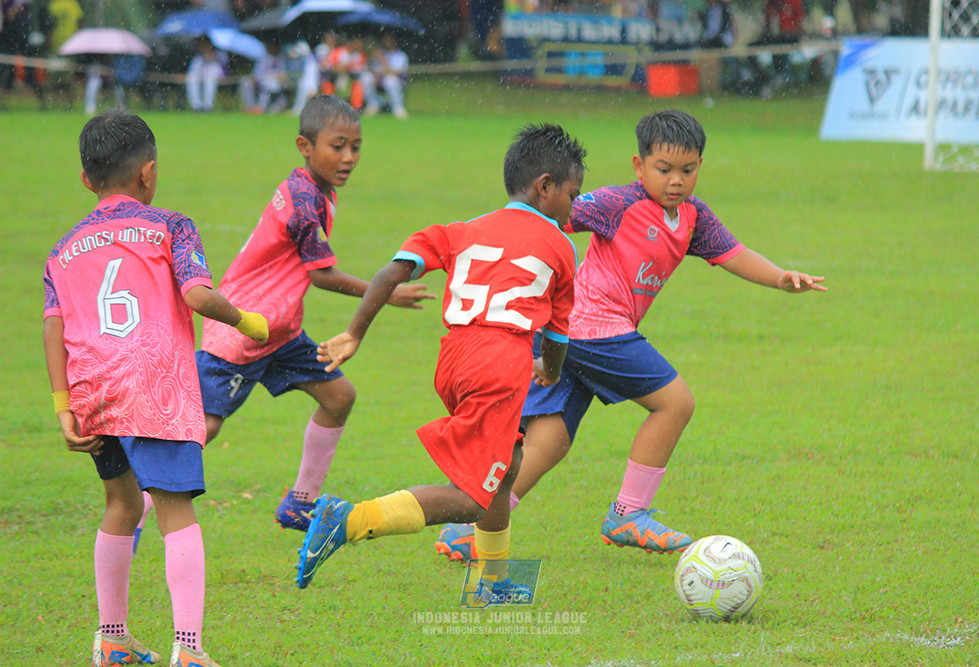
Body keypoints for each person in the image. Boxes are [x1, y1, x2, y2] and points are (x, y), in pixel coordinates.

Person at [433, 109, 826, 562]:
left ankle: (472, 526)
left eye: (688, 170)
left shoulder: (694, 217)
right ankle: (629, 513)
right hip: (589, 327)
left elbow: (732, 253)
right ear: (640, 167)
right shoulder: (618, 204)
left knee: (551, 440)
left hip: (570, 338)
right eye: (664, 170)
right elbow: (551, 214)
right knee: (675, 403)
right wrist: (490, 235)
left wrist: (780, 277)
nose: (675, 181)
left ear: (700, 165)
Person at [295, 123, 586, 601]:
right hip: (500, 363)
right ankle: (347, 519)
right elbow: (556, 333)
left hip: (454, 357)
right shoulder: (560, 247)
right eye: (573, 196)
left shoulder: (460, 230)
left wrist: (354, 332)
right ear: (545, 186)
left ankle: (492, 582)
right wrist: (550, 373)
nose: (573, 208)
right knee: (472, 496)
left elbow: (393, 271)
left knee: (506, 465)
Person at [43, 111, 269, 667]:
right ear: (148, 173)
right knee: (174, 511)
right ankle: (189, 652)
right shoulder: (171, 225)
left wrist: (61, 405)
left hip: (93, 389)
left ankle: (112, 640)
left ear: (85, 179)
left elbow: (53, 327)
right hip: (154, 384)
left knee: (120, 504)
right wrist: (247, 322)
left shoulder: (62, 248)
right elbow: (196, 296)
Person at [186, 95, 433, 537]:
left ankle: (299, 504)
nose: (349, 157)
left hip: (279, 331)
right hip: (241, 331)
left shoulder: (317, 191)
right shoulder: (304, 200)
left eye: (355, 147)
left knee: (339, 397)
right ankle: (142, 503)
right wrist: (385, 291)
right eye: (337, 146)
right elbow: (322, 275)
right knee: (204, 425)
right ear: (305, 145)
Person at [360, 33, 409, 119]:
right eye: (385, 40)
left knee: (390, 80)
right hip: (379, 79)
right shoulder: (378, 53)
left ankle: (398, 107)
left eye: (389, 40)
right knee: (366, 77)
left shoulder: (400, 55)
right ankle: (373, 104)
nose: (387, 42)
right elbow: (372, 69)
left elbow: (395, 72)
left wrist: (382, 60)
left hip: (396, 81)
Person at [186, 36, 227, 112]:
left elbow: (224, 66)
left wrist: (213, 58)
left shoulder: (219, 54)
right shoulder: (198, 58)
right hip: (201, 77)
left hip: (216, 76)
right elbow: (193, 71)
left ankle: (208, 106)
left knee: (209, 80)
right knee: (192, 79)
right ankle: (196, 106)